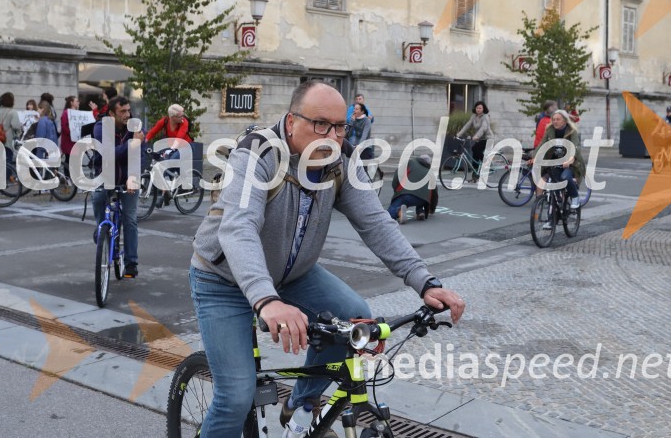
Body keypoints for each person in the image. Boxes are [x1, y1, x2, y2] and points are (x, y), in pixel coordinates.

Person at [190, 81, 465, 436]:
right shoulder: (257, 152)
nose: (332, 136)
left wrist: (424, 280)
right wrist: (266, 300)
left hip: (292, 275)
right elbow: (238, 229)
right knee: (236, 396)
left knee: (352, 317)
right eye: (321, 124)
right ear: (291, 122)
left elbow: (376, 223)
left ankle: (300, 405)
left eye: (340, 127)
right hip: (222, 279)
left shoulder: (341, 160)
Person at [91, 96, 147, 279]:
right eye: (122, 111)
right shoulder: (101, 128)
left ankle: (131, 263)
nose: (127, 114)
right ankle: (101, 229)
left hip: (129, 178)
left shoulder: (135, 126)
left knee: (130, 218)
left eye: (128, 110)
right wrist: (133, 144)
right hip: (105, 176)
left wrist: (132, 177)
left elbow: (139, 155)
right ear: (111, 114)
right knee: (98, 197)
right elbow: (108, 155)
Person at [533, 109, 585, 226]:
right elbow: (542, 145)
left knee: (565, 177)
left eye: (558, 119)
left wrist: (571, 159)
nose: (555, 121)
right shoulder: (550, 130)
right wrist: (534, 156)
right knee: (554, 191)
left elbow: (575, 147)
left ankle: (575, 197)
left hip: (570, 164)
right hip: (554, 162)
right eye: (554, 119)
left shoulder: (572, 131)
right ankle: (552, 220)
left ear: (565, 121)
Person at [145, 104, 194, 207]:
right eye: (180, 116)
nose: (183, 117)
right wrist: (144, 141)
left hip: (185, 147)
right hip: (172, 147)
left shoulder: (184, 122)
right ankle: (167, 191)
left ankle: (168, 192)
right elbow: (153, 131)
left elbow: (179, 137)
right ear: (173, 117)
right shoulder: (164, 121)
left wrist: (172, 149)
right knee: (162, 165)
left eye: (183, 115)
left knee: (170, 162)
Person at [387, 154, 439, 223]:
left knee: (390, 211)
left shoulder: (410, 162)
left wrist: (396, 188)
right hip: (422, 200)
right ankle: (420, 211)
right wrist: (432, 209)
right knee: (421, 194)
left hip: (406, 195)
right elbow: (434, 194)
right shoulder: (431, 173)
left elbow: (398, 174)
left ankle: (399, 211)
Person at [455, 100, 493, 183]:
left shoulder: (485, 116)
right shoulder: (474, 116)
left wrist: (476, 136)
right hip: (480, 139)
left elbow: (484, 128)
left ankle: (486, 164)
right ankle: (475, 176)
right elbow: (467, 125)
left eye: (480, 108)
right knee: (474, 153)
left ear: (483, 109)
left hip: (488, 138)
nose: (478, 109)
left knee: (476, 149)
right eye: (477, 108)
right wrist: (459, 134)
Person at [0, 92, 23, 166]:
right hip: (7, 140)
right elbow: (16, 126)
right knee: (7, 161)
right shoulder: (13, 112)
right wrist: (18, 133)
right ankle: (7, 177)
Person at [59, 96, 79, 168]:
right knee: (69, 159)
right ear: (71, 103)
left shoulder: (77, 113)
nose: (78, 103)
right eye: (76, 101)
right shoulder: (66, 113)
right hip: (68, 140)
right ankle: (68, 177)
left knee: (75, 160)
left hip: (75, 140)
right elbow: (64, 127)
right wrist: (72, 134)